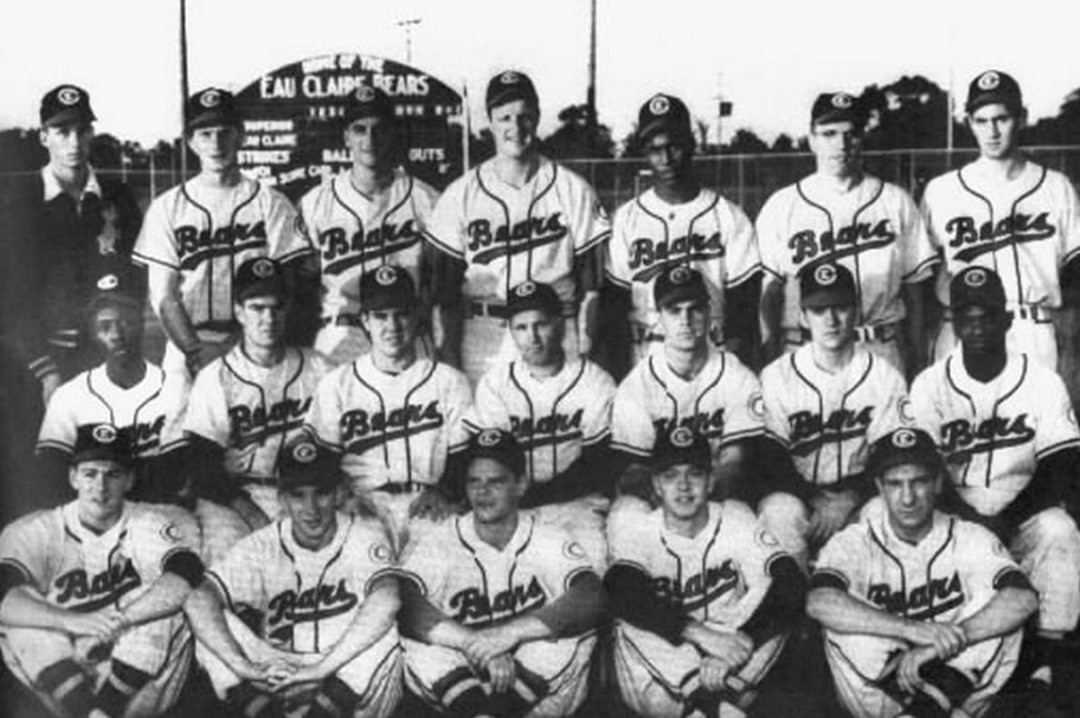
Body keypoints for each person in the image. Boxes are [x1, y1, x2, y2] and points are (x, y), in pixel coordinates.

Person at [909, 266, 1080, 699]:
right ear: (955, 323)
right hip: (952, 506)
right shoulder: (930, 384)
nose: (978, 325)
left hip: (1021, 501)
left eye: (987, 315)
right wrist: (971, 521)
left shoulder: (1042, 380)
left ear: (1007, 319)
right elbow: (923, 467)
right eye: (966, 316)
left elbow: (1063, 463)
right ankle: (950, 662)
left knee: (1060, 530)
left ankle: (1047, 656)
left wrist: (1009, 518)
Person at [808, 427, 1038, 717]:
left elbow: (1022, 598)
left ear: (938, 483)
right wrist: (915, 631)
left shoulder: (967, 535)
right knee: (844, 624)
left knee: (1001, 616)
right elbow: (819, 601)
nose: (907, 498)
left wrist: (937, 647)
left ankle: (927, 708)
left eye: (919, 482)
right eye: (895, 484)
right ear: (879, 488)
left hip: (954, 675)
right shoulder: (854, 541)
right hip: (884, 695)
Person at [184, 437, 402, 718]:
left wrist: (319, 671)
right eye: (298, 495)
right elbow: (199, 597)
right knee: (209, 622)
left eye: (320, 493)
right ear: (282, 499)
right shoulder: (262, 544)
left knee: (385, 633)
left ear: (337, 493)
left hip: (341, 673)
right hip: (279, 672)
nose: (311, 508)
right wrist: (244, 667)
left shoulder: (364, 535)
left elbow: (388, 598)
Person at [395, 428, 604, 717]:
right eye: (474, 482)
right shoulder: (441, 540)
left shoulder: (548, 537)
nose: (482, 492)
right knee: (419, 644)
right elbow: (405, 603)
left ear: (520, 485)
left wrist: (509, 634)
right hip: (466, 676)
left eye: (496, 482)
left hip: (534, 689)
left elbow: (591, 596)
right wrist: (473, 642)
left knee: (569, 637)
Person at [0, 425, 204, 718]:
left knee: (173, 605)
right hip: (64, 663)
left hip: (133, 662)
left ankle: (101, 710)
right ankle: (90, 712)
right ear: (73, 478)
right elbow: (5, 597)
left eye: (113, 474)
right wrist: (78, 623)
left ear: (130, 480)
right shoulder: (39, 530)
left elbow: (185, 574)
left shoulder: (148, 520)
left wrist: (119, 621)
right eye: (90, 473)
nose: (100, 486)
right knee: (21, 620)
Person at [423, 70, 611, 385]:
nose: (515, 127)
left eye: (524, 116)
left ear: (537, 118)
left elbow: (593, 287)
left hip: (555, 329)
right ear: (491, 121)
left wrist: (587, 345)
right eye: (505, 117)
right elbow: (444, 293)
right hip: (485, 336)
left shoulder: (572, 189)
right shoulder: (461, 194)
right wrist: (449, 358)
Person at [132, 87, 313, 415]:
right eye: (205, 134)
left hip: (256, 341)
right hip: (186, 344)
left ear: (240, 137)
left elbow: (287, 286)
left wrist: (242, 346)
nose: (216, 144)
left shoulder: (271, 203)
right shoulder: (167, 207)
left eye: (224, 132)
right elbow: (163, 296)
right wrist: (194, 351)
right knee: (175, 433)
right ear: (190, 141)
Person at [606, 427, 805, 718]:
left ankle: (702, 709)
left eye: (695, 474)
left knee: (769, 587)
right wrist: (702, 635)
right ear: (657, 487)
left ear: (711, 481)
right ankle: (710, 706)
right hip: (669, 660)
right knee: (630, 618)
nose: (683, 486)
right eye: (670, 476)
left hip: (732, 652)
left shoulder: (736, 521)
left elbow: (792, 582)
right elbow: (618, 589)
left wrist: (744, 639)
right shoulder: (640, 530)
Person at [608, 265, 804, 558]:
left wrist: (695, 500)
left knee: (767, 518)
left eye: (694, 309)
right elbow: (634, 471)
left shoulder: (737, 376)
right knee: (625, 515)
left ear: (709, 312)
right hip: (661, 499)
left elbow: (734, 464)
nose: (685, 320)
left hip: (721, 496)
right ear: (658, 318)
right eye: (674, 310)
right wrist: (676, 503)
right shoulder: (637, 385)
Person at [920, 70, 1080, 396]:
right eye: (981, 120)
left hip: (1034, 327)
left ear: (1021, 118)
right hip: (963, 329)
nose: (991, 131)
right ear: (968, 121)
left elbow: (1076, 279)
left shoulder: (1056, 187)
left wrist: (1073, 350)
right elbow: (921, 280)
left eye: (1001, 118)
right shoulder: (941, 191)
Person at [757, 91, 937, 376]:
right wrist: (769, 361)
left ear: (862, 136)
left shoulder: (895, 200)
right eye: (829, 134)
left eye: (850, 133)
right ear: (812, 139)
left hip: (880, 347)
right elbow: (769, 294)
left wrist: (916, 358)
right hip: (805, 350)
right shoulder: (783, 205)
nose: (841, 144)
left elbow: (914, 289)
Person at [304, 265, 472, 551]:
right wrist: (345, 496)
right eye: (381, 316)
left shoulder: (449, 380)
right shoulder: (337, 384)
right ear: (365, 321)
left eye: (401, 314)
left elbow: (464, 456)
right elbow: (321, 461)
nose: (392, 327)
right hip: (364, 506)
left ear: (416, 316)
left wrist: (446, 492)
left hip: (429, 506)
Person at [1, 84, 144, 404]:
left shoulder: (117, 196)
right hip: (37, 363)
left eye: (82, 131)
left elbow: (136, 280)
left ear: (92, 134)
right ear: (44, 137)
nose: (74, 142)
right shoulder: (18, 201)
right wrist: (43, 366)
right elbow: (8, 293)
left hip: (106, 357)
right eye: (62, 131)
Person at [464, 279, 615, 570]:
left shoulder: (595, 381)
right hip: (514, 509)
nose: (532, 337)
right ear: (511, 332)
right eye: (521, 328)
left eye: (540, 324)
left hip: (578, 505)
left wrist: (535, 495)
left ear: (559, 324)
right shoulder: (495, 385)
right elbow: (492, 463)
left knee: (587, 572)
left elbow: (597, 465)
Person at [760, 262, 909, 556]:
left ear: (856, 311)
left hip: (860, 495)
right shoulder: (776, 376)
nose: (831, 320)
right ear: (802, 317)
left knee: (884, 510)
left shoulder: (884, 375)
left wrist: (850, 498)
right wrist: (816, 500)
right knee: (779, 511)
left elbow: (892, 454)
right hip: (800, 497)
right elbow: (770, 460)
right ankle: (789, 600)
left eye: (840, 307)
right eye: (819, 310)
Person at [606, 93, 760, 369]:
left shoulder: (728, 216)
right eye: (655, 149)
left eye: (674, 146)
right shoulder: (626, 219)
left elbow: (744, 309)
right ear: (644, 153)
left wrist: (732, 369)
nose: (666, 158)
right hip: (646, 354)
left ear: (691, 144)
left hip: (712, 351)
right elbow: (614, 306)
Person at [183, 257, 331, 538]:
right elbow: (203, 465)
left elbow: (338, 446)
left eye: (276, 307)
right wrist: (248, 511)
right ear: (239, 312)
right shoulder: (217, 377)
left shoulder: (319, 367)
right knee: (228, 546)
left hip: (302, 492)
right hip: (235, 495)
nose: (268, 319)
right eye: (257, 308)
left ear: (288, 309)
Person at [300, 85, 441, 365]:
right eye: (359, 129)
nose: (370, 139)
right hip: (342, 332)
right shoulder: (316, 202)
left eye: (379, 128)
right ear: (346, 137)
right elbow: (301, 286)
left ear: (392, 133)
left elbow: (440, 281)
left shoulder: (425, 199)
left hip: (405, 333)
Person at [37, 273, 186, 506]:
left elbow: (178, 471)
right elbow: (51, 469)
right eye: (104, 327)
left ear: (142, 325)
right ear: (92, 335)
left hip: (157, 511)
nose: (116, 335)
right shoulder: (69, 396)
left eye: (126, 323)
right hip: (91, 513)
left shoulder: (174, 388)